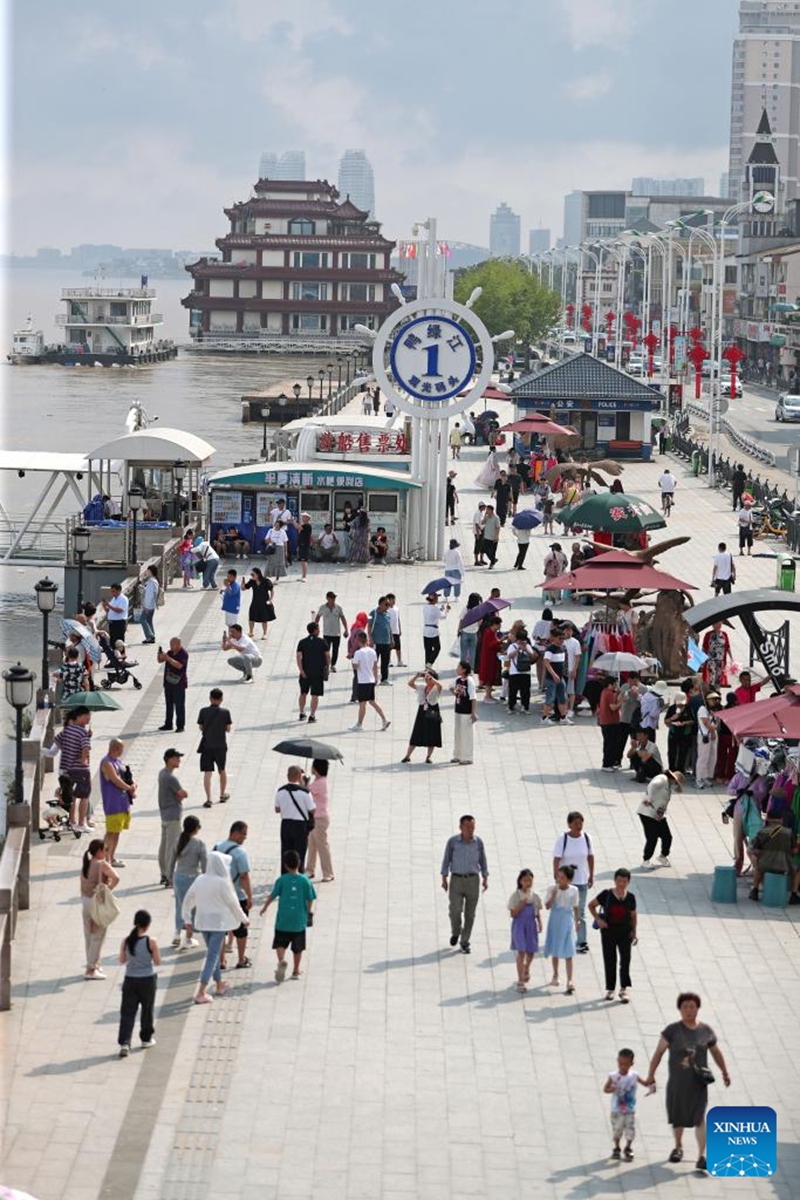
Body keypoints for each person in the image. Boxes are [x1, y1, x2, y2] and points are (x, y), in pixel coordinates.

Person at [642, 992, 731, 1171]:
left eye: (692, 1007)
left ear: (697, 1008)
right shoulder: (672, 1030)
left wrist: (724, 1072)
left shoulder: (706, 1030)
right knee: (678, 1117)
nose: (689, 1010)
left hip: (698, 1084)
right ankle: (678, 1147)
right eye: (685, 1007)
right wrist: (651, 1074)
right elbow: (658, 1053)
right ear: (680, 1010)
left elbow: (716, 1052)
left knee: (700, 1117)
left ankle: (702, 1156)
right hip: (678, 1083)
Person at [182, 851, 248, 1004]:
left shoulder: (200, 879)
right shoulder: (222, 883)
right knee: (212, 956)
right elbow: (233, 904)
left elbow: (188, 899)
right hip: (218, 924)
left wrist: (187, 918)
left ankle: (219, 984)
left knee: (215, 954)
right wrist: (244, 919)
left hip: (203, 923)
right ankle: (201, 992)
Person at [260, 849, 316, 983]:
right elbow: (310, 898)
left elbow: (272, 895)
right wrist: (308, 912)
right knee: (298, 948)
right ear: (299, 863)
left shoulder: (281, 880)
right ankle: (296, 970)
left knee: (280, 942)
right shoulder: (305, 880)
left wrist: (264, 907)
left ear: (285, 865)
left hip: (283, 920)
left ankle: (281, 961)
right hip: (299, 920)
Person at [440, 815, 489, 954]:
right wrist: (444, 878)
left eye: (472, 827)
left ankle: (465, 941)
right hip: (456, 880)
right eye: (468, 827)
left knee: (470, 914)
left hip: (473, 881)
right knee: (454, 910)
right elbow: (446, 860)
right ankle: (456, 931)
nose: (471, 829)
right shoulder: (453, 842)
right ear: (461, 827)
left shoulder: (478, 843)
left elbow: (483, 860)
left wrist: (485, 877)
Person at [117, 909, 160, 1057]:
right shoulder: (151, 942)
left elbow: (122, 960)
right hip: (147, 979)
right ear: (148, 925)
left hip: (130, 979)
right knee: (147, 1010)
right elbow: (157, 962)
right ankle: (146, 1039)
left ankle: (125, 1042)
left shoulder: (126, 941)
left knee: (127, 1012)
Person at [590, 869, 638, 1003]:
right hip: (608, 932)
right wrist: (598, 920)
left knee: (625, 960)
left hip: (625, 933)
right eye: (619, 881)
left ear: (629, 882)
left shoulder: (631, 897)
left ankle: (623, 989)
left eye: (624, 881)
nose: (621, 884)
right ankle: (610, 989)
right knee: (610, 960)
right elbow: (591, 905)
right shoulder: (606, 894)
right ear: (614, 880)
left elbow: (633, 915)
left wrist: (634, 931)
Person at [552, 811, 594, 954]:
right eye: (575, 823)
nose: (579, 826)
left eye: (581, 822)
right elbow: (557, 859)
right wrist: (557, 876)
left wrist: (591, 875)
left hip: (582, 881)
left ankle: (581, 941)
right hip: (566, 883)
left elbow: (590, 857)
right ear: (569, 824)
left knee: (580, 911)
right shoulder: (562, 839)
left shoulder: (587, 838)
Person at [213, 821, 253, 969]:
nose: (245, 838)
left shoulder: (216, 848)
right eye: (243, 834)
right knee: (241, 930)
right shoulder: (240, 852)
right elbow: (244, 877)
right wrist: (250, 896)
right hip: (237, 897)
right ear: (235, 833)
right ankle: (241, 959)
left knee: (220, 930)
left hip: (219, 896)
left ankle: (221, 961)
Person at [79, 839, 120, 979]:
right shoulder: (102, 864)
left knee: (89, 936)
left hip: (86, 901)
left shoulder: (87, 863)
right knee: (97, 936)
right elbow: (116, 877)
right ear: (99, 851)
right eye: (105, 849)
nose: (106, 852)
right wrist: (107, 890)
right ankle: (91, 969)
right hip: (97, 903)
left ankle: (93, 964)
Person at [53, 706, 93, 831]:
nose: (88, 719)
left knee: (72, 797)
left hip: (67, 768)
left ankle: (71, 821)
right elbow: (85, 748)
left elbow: (57, 742)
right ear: (79, 716)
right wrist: (83, 760)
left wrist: (69, 751)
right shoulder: (82, 732)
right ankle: (81, 824)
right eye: (87, 717)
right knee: (84, 796)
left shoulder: (66, 730)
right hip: (80, 769)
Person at [170, 815, 206, 949]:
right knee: (192, 908)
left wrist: (169, 876)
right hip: (193, 879)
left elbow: (171, 861)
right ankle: (188, 938)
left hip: (178, 877)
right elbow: (204, 865)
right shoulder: (199, 844)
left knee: (179, 905)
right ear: (196, 828)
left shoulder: (177, 841)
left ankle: (177, 933)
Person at [543, 865, 580, 994]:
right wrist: (554, 895)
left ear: (569, 880)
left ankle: (570, 980)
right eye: (558, 876)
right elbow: (547, 906)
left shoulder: (574, 890)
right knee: (555, 947)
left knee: (569, 949)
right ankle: (555, 974)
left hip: (567, 920)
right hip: (555, 920)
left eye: (562, 877)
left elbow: (575, 906)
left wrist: (577, 921)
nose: (559, 879)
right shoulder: (551, 888)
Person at [602, 1049, 643, 1162]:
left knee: (630, 1128)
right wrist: (612, 1089)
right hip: (617, 1109)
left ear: (631, 1064)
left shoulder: (634, 1076)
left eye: (626, 1064)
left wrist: (651, 1084)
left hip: (629, 1108)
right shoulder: (613, 1076)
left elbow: (644, 1082)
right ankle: (616, 1148)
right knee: (617, 1129)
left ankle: (628, 1147)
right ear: (617, 1061)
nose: (623, 1067)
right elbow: (605, 1089)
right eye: (620, 1064)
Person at [100, 738, 136, 867]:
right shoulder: (107, 763)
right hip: (113, 803)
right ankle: (103, 859)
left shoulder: (118, 762)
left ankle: (111, 857)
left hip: (122, 803)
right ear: (116, 748)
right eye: (122, 748)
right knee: (110, 832)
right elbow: (115, 780)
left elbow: (125, 777)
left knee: (117, 832)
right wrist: (129, 788)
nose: (123, 751)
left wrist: (133, 784)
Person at [275, 766, 316, 871]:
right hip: (300, 826)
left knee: (285, 852)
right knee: (300, 853)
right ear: (299, 777)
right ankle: (299, 874)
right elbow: (312, 809)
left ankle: (285, 874)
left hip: (285, 825)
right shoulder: (305, 792)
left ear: (287, 776)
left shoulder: (280, 791)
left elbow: (277, 809)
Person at [508, 869, 543, 993]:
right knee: (521, 951)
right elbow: (513, 914)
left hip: (531, 926)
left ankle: (526, 967)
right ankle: (520, 980)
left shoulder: (535, 896)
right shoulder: (515, 896)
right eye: (525, 880)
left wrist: (539, 922)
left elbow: (537, 911)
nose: (528, 883)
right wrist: (521, 904)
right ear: (520, 881)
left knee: (531, 951)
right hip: (519, 926)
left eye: (530, 880)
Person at [197, 688, 232, 807]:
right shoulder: (225, 712)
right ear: (221, 699)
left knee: (207, 772)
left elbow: (201, 727)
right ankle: (222, 795)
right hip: (220, 746)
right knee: (222, 769)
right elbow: (228, 729)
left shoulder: (203, 711)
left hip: (207, 745)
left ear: (210, 698)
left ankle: (208, 799)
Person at [748, 812, 795, 901]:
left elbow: (753, 849)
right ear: (781, 820)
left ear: (768, 819)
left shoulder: (762, 832)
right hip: (784, 865)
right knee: (797, 869)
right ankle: (794, 894)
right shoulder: (789, 832)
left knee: (758, 867)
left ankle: (755, 890)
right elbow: (794, 850)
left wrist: (761, 854)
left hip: (765, 865)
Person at [350, 630, 391, 730]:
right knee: (372, 701)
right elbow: (375, 666)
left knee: (362, 703)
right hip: (371, 680)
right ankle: (384, 719)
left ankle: (359, 724)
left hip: (363, 681)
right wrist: (376, 678)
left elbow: (355, 666)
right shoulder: (372, 651)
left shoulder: (358, 653)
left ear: (358, 641)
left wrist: (352, 659)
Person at [158, 749, 187, 886]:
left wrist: (178, 794)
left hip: (164, 815)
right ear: (169, 759)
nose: (179, 760)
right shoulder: (171, 778)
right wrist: (181, 794)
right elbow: (183, 793)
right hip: (173, 816)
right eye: (176, 758)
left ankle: (163, 874)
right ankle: (169, 878)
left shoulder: (162, 773)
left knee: (164, 846)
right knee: (171, 848)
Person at [402, 668, 443, 764]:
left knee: (432, 733)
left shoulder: (436, 688)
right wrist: (417, 676)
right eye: (425, 677)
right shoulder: (422, 687)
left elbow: (440, 685)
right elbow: (410, 684)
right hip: (422, 711)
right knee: (417, 731)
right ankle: (407, 755)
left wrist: (432, 678)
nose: (426, 679)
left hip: (433, 710)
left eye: (428, 678)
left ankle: (428, 757)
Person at [296, 621, 330, 723]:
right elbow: (327, 656)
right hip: (317, 672)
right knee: (315, 695)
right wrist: (327, 667)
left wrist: (301, 670)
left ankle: (302, 713)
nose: (319, 631)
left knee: (303, 693)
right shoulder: (322, 642)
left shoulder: (302, 642)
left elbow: (298, 657)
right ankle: (312, 715)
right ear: (315, 630)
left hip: (305, 672)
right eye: (318, 629)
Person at [306, 760, 334, 882]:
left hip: (320, 819)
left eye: (313, 766)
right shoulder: (318, 780)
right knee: (312, 844)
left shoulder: (320, 783)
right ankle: (309, 870)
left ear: (316, 769)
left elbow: (305, 791)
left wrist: (303, 782)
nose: (311, 768)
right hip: (315, 818)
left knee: (322, 846)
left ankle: (328, 873)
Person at [541, 627, 573, 725]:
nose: (562, 640)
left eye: (563, 638)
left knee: (563, 698)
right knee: (550, 698)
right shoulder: (550, 649)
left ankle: (563, 717)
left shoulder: (562, 648)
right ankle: (544, 718)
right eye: (560, 638)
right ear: (554, 638)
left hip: (561, 677)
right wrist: (554, 674)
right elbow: (546, 662)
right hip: (551, 679)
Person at [157, 637, 188, 732]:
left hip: (179, 684)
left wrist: (168, 658)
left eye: (172, 645)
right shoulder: (170, 652)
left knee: (179, 705)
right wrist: (159, 655)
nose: (171, 647)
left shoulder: (183, 654)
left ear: (178, 644)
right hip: (168, 683)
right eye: (170, 645)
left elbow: (179, 665)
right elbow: (160, 660)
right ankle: (168, 724)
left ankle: (180, 726)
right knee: (169, 704)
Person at [450, 660, 478, 764]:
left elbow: (473, 698)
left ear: (464, 670)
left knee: (466, 734)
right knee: (458, 733)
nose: (457, 669)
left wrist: (473, 713)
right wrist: (456, 693)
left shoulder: (469, 681)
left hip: (466, 711)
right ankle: (457, 755)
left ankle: (467, 757)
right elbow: (450, 687)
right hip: (458, 709)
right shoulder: (457, 679)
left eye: (459, 667)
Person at [315, 591, 348, 671]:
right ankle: (326, 665)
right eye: (331, 598)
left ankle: (333, 665)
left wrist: (346, 629)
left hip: (336, 633)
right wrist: (315, 627)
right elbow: (318, 616)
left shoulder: (338, 608)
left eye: (334, 598)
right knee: (326, 650)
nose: (333, 599)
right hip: (327, 633)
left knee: (335, 650)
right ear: (327, 598)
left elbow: (343, 618)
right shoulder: (323, 608)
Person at [506, 629, 535, 714]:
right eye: (520, 640)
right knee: (513, 691)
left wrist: (526, 649)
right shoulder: (512, 646)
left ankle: (525, 707)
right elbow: (509, 656)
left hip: (526, 672)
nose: (521, 641)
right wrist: (518, 649)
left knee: (525, 691)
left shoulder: (528, 646)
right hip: (514, 672)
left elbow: (532, 656)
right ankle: (511, 706)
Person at [598, 679, 625, 770]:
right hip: (610, 722)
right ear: (610, 684)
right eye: (615, 684)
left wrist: (617, 694)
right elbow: (613, 707)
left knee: (610, 743)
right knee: (610, 744)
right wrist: (622, 701)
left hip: (606, 721)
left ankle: (610, 762)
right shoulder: (609, 693)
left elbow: (613, 702)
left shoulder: (604, 691)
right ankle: (606, 764)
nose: (616, 686)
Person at [695, 691, 720, 789]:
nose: (715, 701)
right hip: (705, 735)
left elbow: (717, 722)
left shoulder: (714, 710)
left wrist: (714, 731)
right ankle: (699, 778)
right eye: (713, 700)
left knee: (712, 757)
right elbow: (705, 722)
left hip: (713, 734)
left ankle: (706, 777)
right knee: (703, 757)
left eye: (716, 700)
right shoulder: (703, 709)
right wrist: (713, 731)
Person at [243, 567, 274, 639]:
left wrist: (270, 599)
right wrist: (243, 582)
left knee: (264, 619)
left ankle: (264, 633)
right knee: (251, 618)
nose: (252, 576)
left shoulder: (266, 581)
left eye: (253, 574)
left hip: (264, 602)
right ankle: (251, 632)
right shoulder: (252, 582)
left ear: (257, 574)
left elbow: (271, 590)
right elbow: (243, 588)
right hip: (255, 602)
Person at [367, 595, 393, 683]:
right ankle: (372, 678)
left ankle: (384, 679)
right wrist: (370, 639)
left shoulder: (388, 614)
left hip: (386, 642)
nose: (388, 606)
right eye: (386, 604)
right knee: (374, 661)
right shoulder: (373, 613)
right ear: (380, 604)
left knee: (385, 662)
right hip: (376, 642)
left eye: (388, 604)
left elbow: (389, 628)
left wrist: (392, 639)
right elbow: (369, 626)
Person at [478, 614, 503, 702]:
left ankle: (489, 695)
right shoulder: (489, 633)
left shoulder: (492, 632)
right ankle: (487, 696)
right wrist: (501, 640)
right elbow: (491, 645)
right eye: (499, 624)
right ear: (494, 624)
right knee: (488, 677)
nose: (500, 626)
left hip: (492, 657)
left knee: (491, 677)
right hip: (488, 659)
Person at [346, 612, 369, 702]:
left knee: (356, 675)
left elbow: (349, 640)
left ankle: (355, 696)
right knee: (358, 676)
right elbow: (356, 643)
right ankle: (356, 696)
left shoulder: (354, 627)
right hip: (359, 655)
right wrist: (352, 653)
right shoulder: (360, 630)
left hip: (354, 655)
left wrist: (350, 652)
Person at [701, 622, 731, 689]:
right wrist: (702, 659)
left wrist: (732, 658)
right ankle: (711, 691)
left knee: (718, 679)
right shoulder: (708, 634)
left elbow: (728, 647)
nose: (718, 625)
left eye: (720, 623)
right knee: (711, 677)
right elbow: (704, 647)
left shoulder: (724, 634)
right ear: (713, 625)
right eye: (716, 624)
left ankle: (717, 691)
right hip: (711, 660)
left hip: (721, 660)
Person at [457, 592, 482, 669]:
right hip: (474, 633)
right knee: (472, 652)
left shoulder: (465, 609)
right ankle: (471, 669)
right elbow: (479, 622)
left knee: (463, 652)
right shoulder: (479, 610)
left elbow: (461, 620)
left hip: (465, 632)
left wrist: (458, 630)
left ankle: (462, 668)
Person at [421, 592, 447, 665]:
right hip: (433, 631)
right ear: (434, 599)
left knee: (428, 650)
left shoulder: (425, 607)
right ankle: (430, 663)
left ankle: (427, 665)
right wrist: (447, 610)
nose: (437, 599)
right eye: (436, 597)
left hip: (426, 631)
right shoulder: (435, 608)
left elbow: (434, 614)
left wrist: (440, 610)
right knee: (437, 648)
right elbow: (442, 617)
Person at [103, 583, 129, 647]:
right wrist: (105, 606)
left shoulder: (123, 599)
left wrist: (109, 605)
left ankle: (121, 652)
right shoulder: (114, 599)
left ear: (119, 590)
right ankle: (114, 652)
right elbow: (110, 610)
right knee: (112, 641)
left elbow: (119, 610)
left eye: (114, 591)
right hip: (112, 622)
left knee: (119, 641)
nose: (112, 593)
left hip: (119, 622)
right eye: (112, 591)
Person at [140, 565, 160, 644]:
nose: (146, 572)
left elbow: (150, 595)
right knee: (148, 621)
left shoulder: (151, 582)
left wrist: (146, 607)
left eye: (147, 571)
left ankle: (150, 636)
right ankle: (151, 637)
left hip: (148, 606)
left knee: (142, 619)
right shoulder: (154, 581)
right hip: (152, 605)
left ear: (151, 571)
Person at [385, 592, 405, 666]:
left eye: (394, 599)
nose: (393, 601)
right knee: (389, 647)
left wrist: (400, 629)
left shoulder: (396, 609)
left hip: (396, 630)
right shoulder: (386, 609)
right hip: (389, 631)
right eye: (392, 600)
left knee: (398, 647)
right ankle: (389, 661)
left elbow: (398, 619)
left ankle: (399, 661)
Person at [481, 504, 501, 568]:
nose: (486, 511)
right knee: (486, 550)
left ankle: (492, 564)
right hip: (486, 536)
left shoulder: (496, 518)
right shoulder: (487, 517)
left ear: (491, 510)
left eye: (487, 510)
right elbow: (482, 523)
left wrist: (496, 536)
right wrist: (485, 517)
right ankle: (493, 559)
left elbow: (498, 528)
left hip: (493, 537)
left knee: (492, 552)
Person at [296, 512, 313, 581]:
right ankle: (303, 575)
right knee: (302, 561)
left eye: (305, 517)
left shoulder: (307, 525)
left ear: (308, 518)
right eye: (302, 517)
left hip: (305, 544)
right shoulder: (303, 525)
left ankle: (304, 576)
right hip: (301, 544)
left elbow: (298, 527)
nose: (303, 518)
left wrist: (293, 521)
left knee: (304, 560)